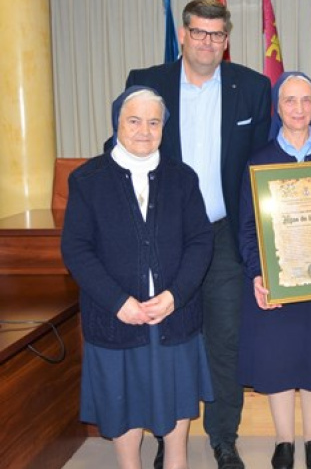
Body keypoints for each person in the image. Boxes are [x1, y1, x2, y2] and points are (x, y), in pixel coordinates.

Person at [121, 0, 271, 469]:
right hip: (165, 237)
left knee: (225, 339)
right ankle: (168, 437)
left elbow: (260, 167)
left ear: (227, 39)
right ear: (183, 34)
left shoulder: (253, 87)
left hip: (224, 235)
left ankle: (224, 438)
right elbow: (125, 145)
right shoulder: (148, 83)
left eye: (217, 34)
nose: (208, 42)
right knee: (168, 339)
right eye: (199, 32)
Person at [61, 87, 214, 469]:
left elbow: (200, 241)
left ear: (163, 127)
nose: (144, 130)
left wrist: (175, 296)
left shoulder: (182, 178)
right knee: (123, 407)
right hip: (115, 318)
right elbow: (77, 250)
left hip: (174, 316)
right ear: (117, 123)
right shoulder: (87, 179)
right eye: (134, 121)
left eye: (153, 122)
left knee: (178, 404)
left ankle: (176, 463)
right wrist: (118, 302)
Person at [238, 72, 311, 469]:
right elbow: (248, 227)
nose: (299, 108)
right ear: (278, 107)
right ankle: (284, 441)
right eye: (290, 100)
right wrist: (259, 273)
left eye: (306, 100)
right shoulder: (259, 161)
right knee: (279, 357)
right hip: (279, 280)